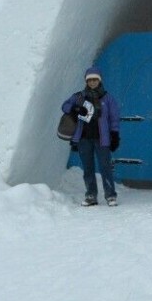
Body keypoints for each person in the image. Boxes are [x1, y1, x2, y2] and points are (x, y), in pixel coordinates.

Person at [61, 66, 121, 207]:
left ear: (99, 81)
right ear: (86, 81)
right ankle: (91, 195)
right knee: (88, 168)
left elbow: (114, 118)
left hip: (102, 139)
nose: (92, 82)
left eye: (95, 80)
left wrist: (115, 135)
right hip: (84, 139)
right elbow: (64, 106)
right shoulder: (79, 97)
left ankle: (110, 195)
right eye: (90, 80)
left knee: (105, 167)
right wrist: (75, 108)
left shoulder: (108, 98)